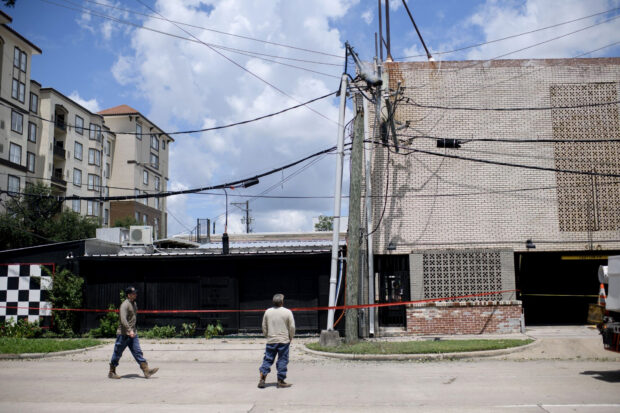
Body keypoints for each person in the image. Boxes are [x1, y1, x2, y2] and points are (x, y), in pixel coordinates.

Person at [108, 286, 159, 379]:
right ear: (129, 295)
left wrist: (133, 330)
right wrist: (129, 330)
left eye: (135, 293)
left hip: (133, 333)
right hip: (123, 334)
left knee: (138, 352)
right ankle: (112, 372)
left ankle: (146, 371)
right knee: (117, 353)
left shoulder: (134, 304)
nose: (135, 294)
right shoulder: (125, 305)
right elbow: (123, 319)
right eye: (133, 293)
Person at [258, 293, 295, 389]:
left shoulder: (268, 312)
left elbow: (264, 326)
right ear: (282, 301)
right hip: (284, 340)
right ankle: (280, 381)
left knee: (268, 359)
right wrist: (290, 337)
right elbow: (292, 327)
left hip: (271, 340)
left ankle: (262, 379)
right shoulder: (287, 312)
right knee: (282, 359)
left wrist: (267, 335)